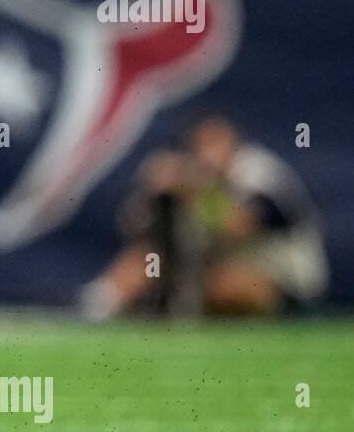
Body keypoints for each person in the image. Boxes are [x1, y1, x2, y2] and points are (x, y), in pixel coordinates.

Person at [81, 115, 328, 318]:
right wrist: (154, 193)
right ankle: (95, 308)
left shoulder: (258, 172)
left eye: (217, 143)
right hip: (204, 272)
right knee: (146, 259)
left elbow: (241, 226)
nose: (210, 154)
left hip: (283, 281)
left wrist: (192, 190)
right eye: (203, 146)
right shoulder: (191, 179)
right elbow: (134, 225)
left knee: (227, 286)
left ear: (235, 143)